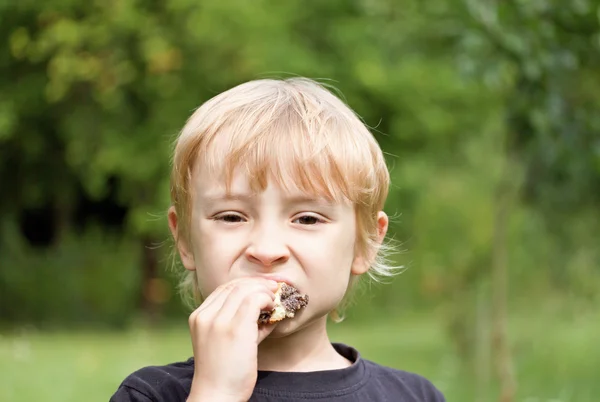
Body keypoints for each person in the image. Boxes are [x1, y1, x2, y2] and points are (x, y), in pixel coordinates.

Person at [110, 77, 445, 402]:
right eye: (231, 217)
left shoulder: (415, 396)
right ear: (184, 240)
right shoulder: (151, 394)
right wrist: (216, 394)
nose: (266, 251)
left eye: (307, 218)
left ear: (365, 242)